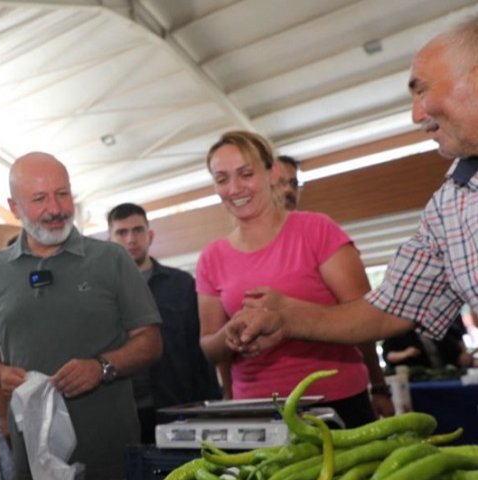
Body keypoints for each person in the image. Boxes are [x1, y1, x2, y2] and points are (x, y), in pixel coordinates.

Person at [224, 15, 478, 360]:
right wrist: (288, 319)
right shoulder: (449, 205)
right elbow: (390, 308)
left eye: (422, 90)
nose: (417, 114)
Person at [0, 152, 162, 480]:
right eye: (39, 199)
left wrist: (101, 367)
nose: (56, 208)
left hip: (107, 464)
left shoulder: (111, 259)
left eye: (63, 193)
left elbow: (150, 341)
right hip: (32, 465)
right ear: (14, 206)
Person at [196, 130, 393, 428]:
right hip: (256, 410)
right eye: (222, 179)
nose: (235, 188)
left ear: (271, 171)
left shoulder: (317, 230)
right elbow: (210, 346)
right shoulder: (211, 257)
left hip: (334, 402)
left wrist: (288, 314)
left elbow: (368, 319)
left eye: (245, 174)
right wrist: (232, 333)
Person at [106, 202, 221, 442]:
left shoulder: (181, 285)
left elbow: (199, 351)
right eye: (121, 232)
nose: (131, 239)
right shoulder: (101, 293)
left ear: (150, 235)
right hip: (123, 411)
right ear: (110, 240)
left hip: (178, 408)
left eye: (137, 230)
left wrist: (214, 408)